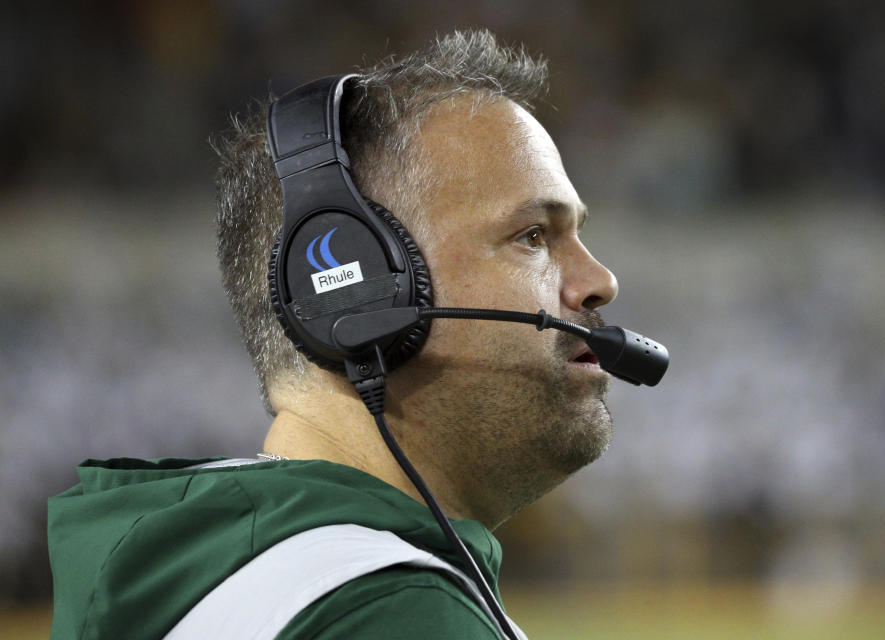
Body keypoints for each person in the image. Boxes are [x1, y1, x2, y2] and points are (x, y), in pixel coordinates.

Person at [47, 30, 622, 639]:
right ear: (353, 287)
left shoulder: (210, 573)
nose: (600, 281)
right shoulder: (385, 613)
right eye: (533, 236)